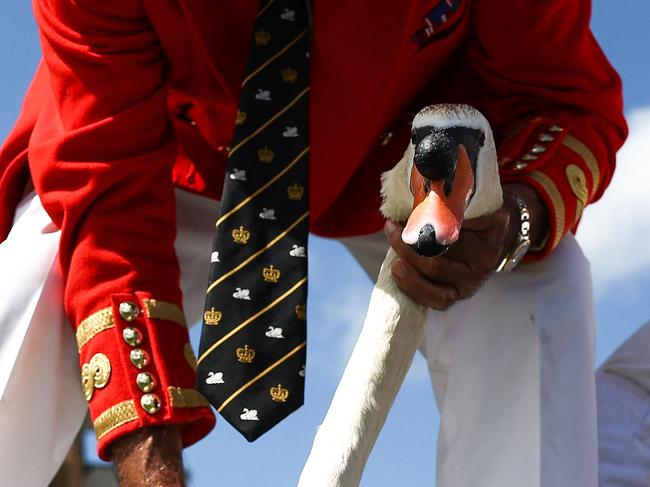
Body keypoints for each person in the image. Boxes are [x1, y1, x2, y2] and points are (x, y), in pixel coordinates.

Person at [0, 0, 625, 486]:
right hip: (185, 159)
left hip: (408, 166)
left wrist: (512, 221)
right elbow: (106, 191)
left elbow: (563, 98)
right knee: (41, 275)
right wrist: (148, 454)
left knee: (537, 285)